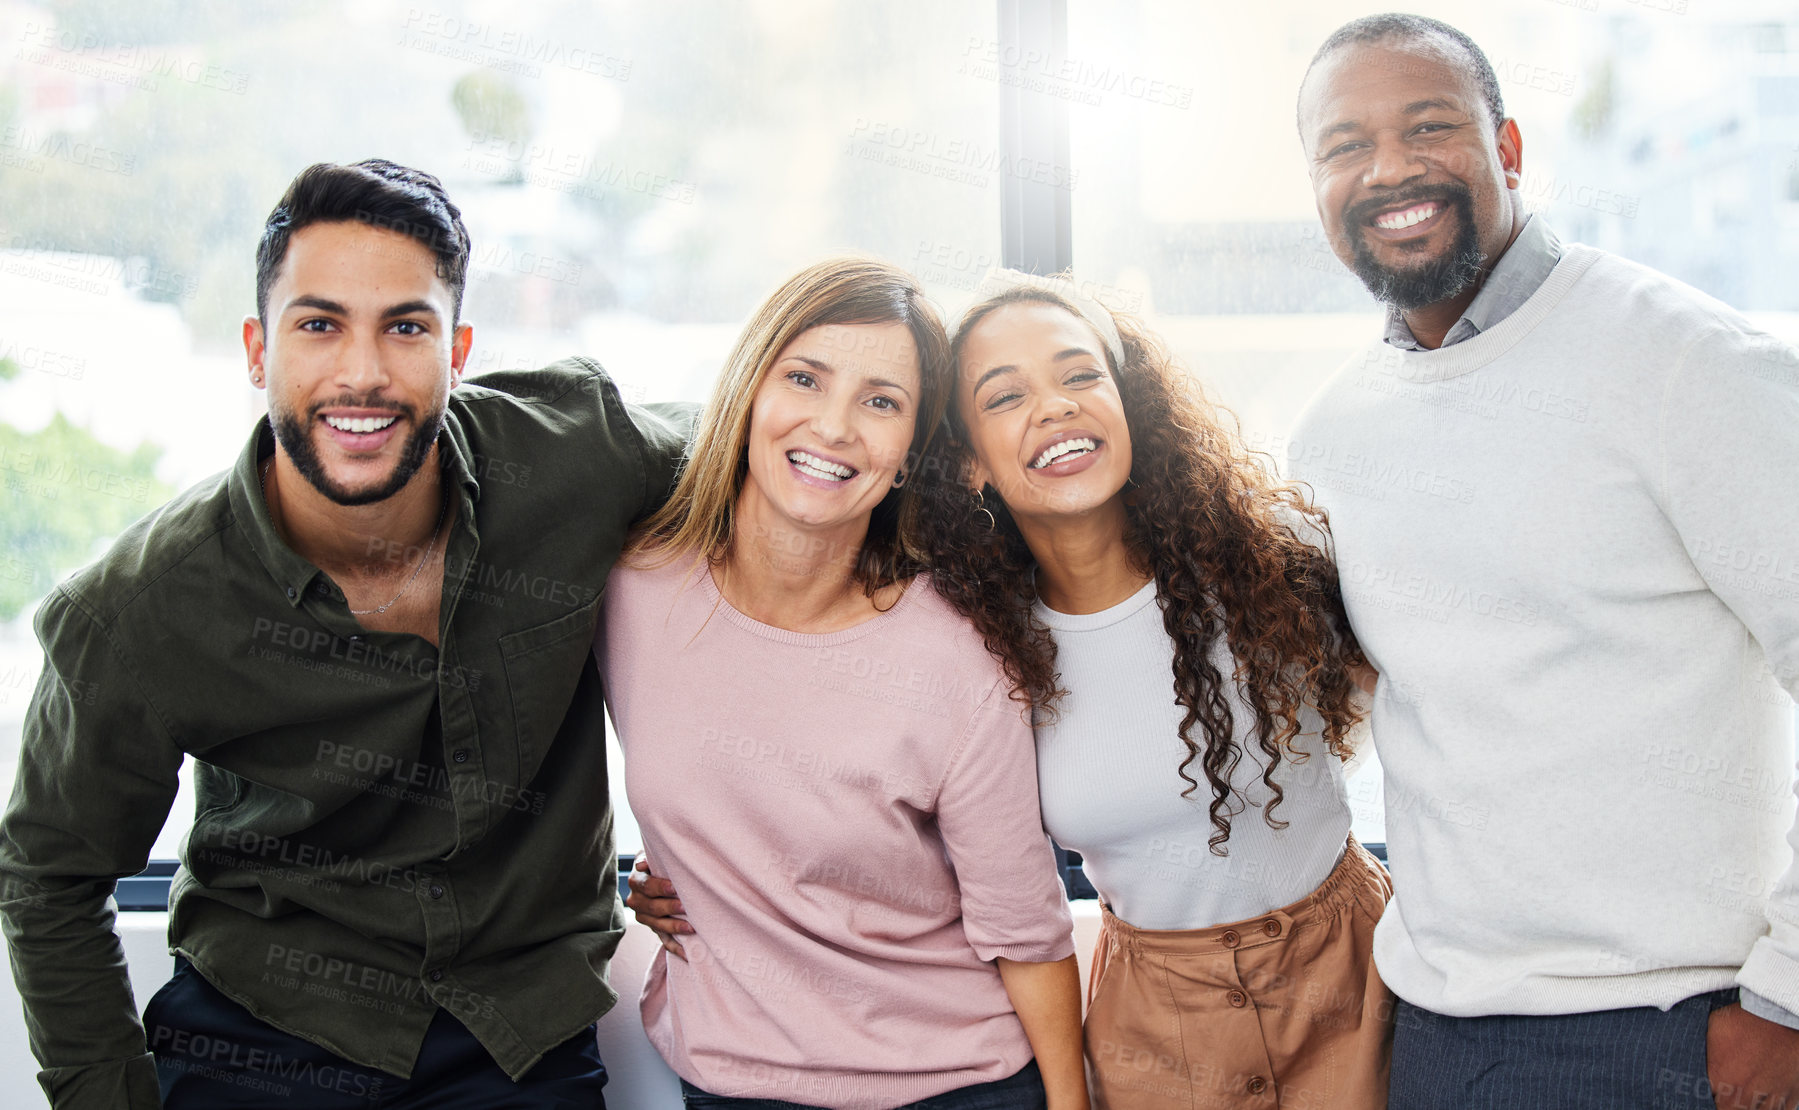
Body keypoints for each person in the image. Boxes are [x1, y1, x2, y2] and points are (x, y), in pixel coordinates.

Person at [0, 159, 691, 1109]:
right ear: (256, 350)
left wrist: (731, 839)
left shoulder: (578, 454)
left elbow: (781, 474)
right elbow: (47, 880)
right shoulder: (138, 610)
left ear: (458, 350)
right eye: (318, 324)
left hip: (519, 1040)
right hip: (261, 1037)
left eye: (405, 327)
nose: (361, 373)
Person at [632, 269, 1395, 1110]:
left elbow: (1411, 716)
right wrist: (676, 870)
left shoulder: (1271, 561)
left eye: (1079, 375)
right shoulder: (993, 643)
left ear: (1127, 399)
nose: (1055, 406)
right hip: (1162, 1021)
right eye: (1004, 396)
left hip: (1356, 970)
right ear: (966, 462)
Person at [1290, 14, 1799, 1109]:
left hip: (1671, 1036)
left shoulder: (1689, 364)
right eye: (1343, 147)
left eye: (1427, 127)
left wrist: (1785, 1003)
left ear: (1507, 149)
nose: (1387, 169)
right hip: (1435, 1036)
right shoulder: (1330, 440)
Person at [596, 257, 1086, 1110]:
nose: (833, 426)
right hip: (730, 1083)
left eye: (881, 401)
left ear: (908, 454)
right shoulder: (632, 589)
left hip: (954, 1086)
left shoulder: (956, 656)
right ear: (750, 389)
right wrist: (642, 877)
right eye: (804, 378)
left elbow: (1023, 930)